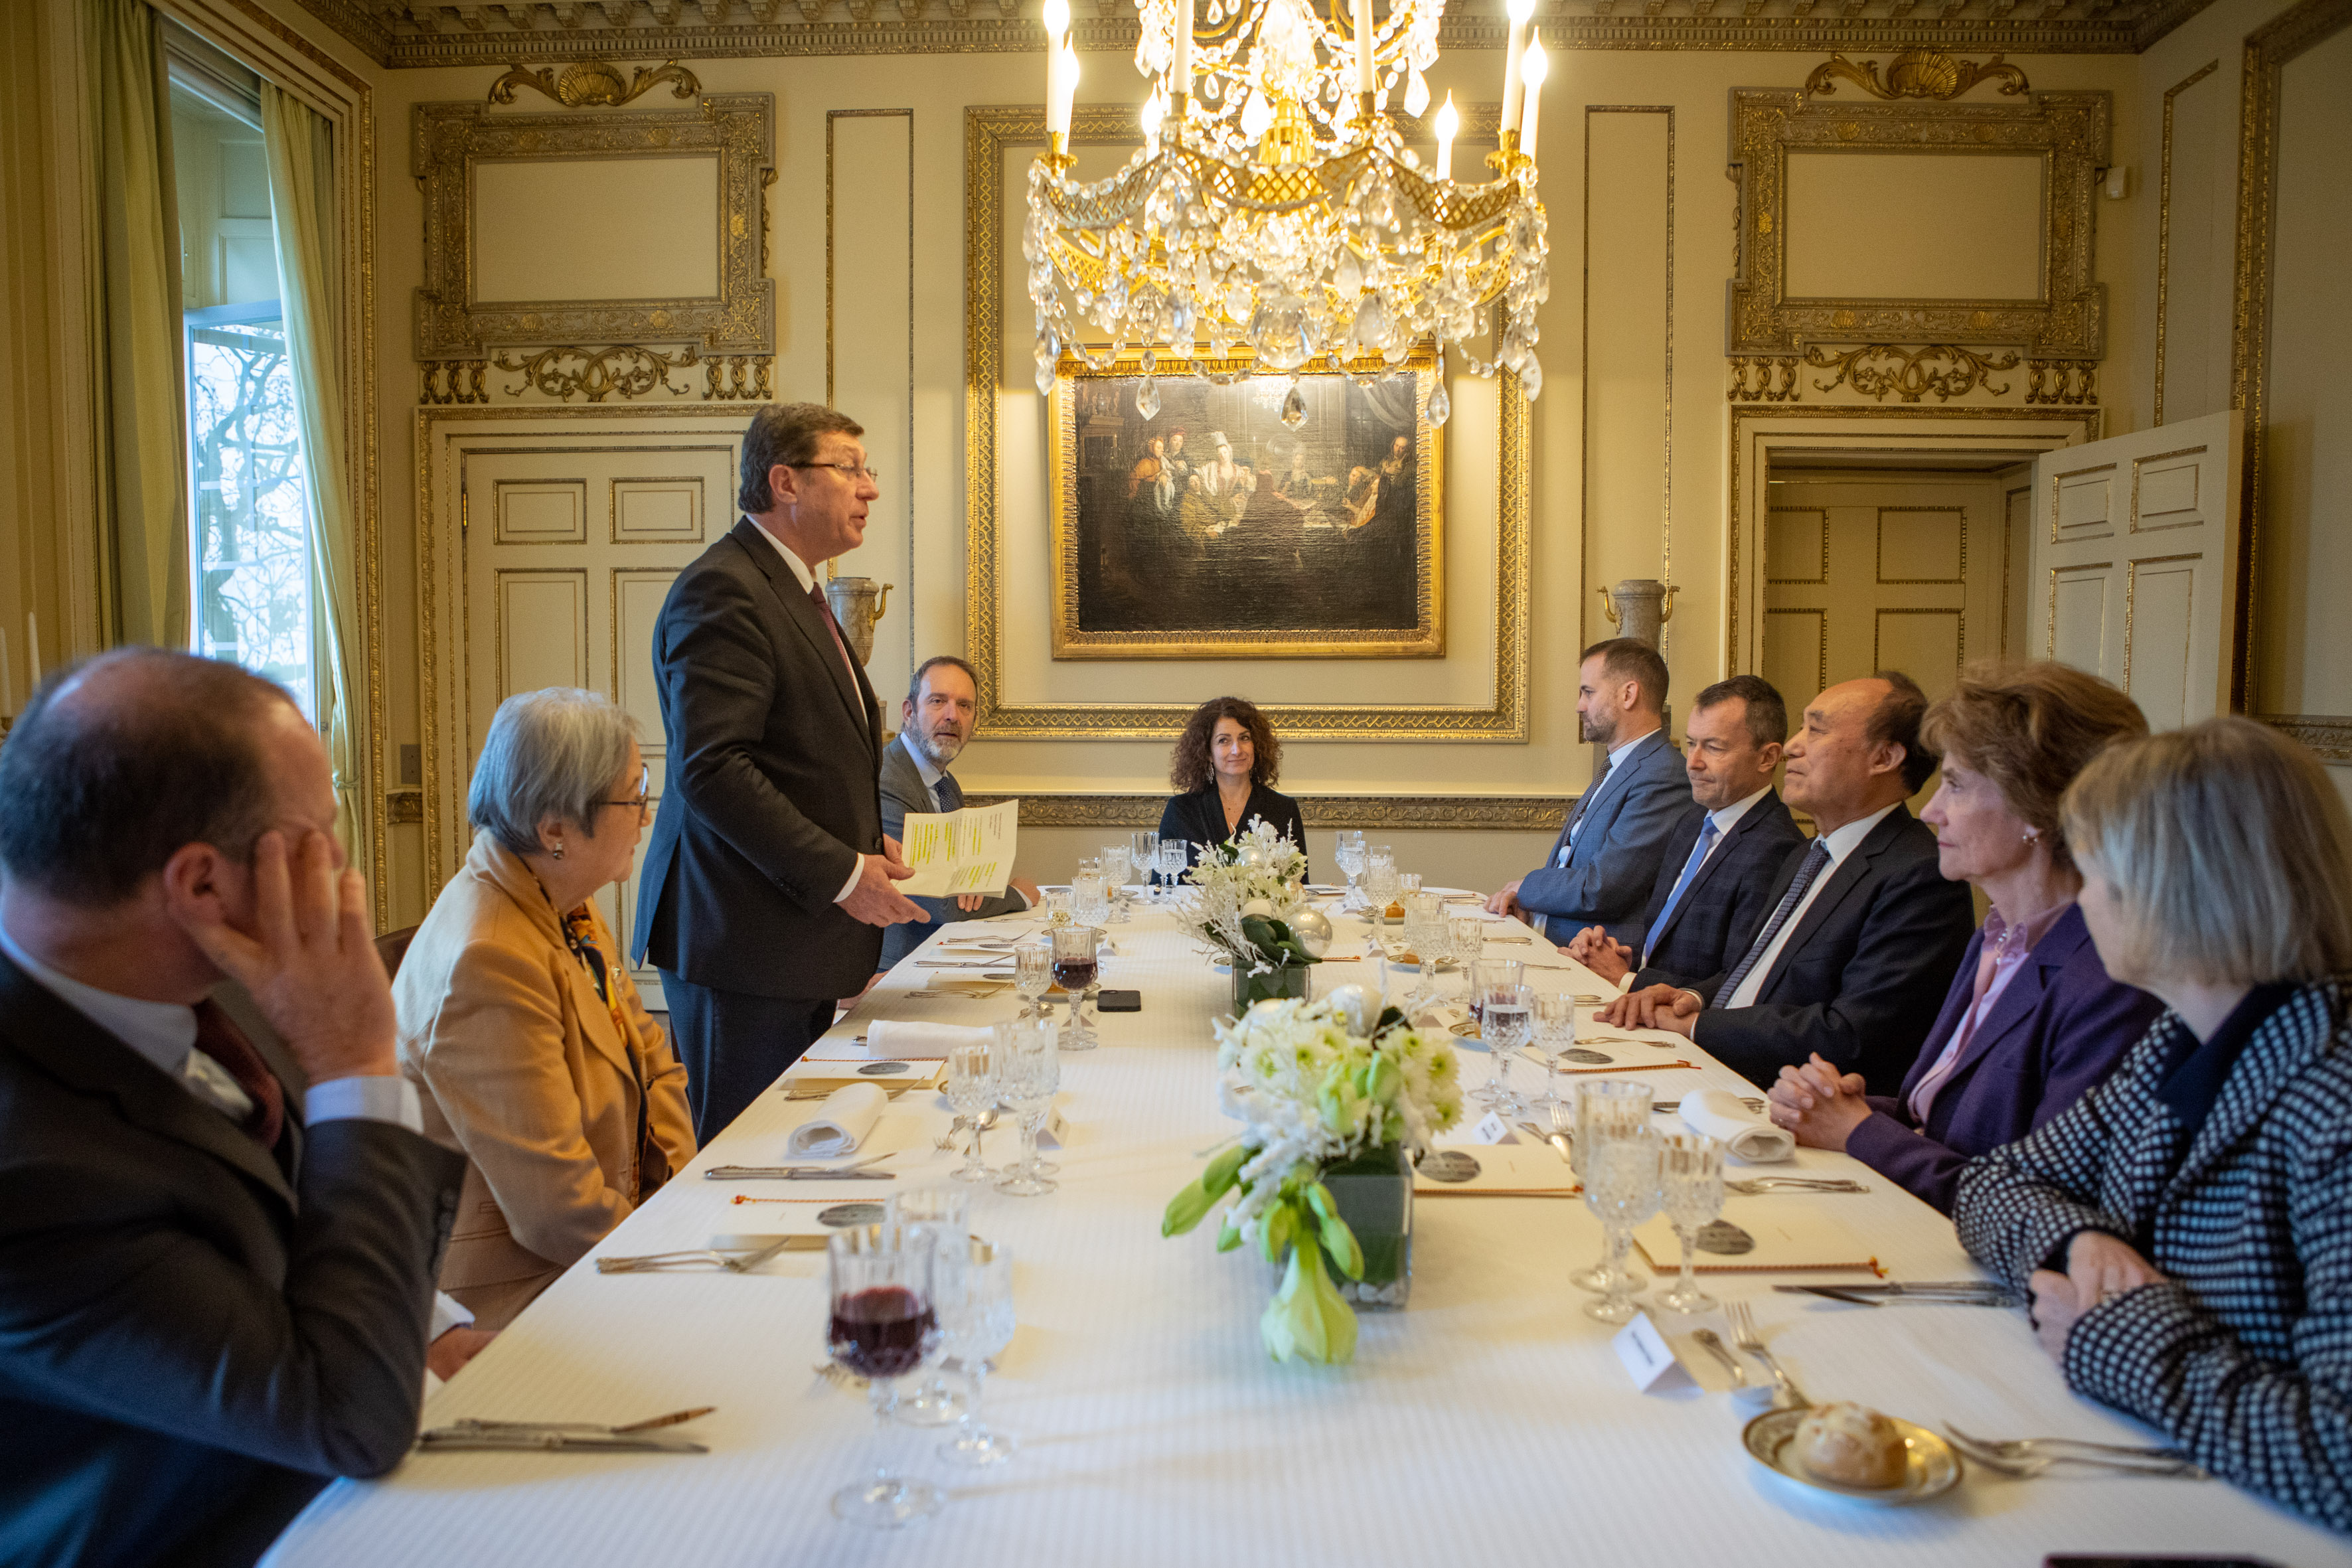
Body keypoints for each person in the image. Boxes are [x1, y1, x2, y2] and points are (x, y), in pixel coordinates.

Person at [0, 650, 468, 1568]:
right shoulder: (30, 1176)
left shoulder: (183, 990)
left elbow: (277, 1212)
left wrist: (435, 1323)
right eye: (318, 839)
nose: (340, 867)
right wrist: (357, 1061)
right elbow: (345, 1416)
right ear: (203, 884)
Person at [1952, 718, 2352, 1533]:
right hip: (2160, 1478)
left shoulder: (2333, 1101)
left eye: (2092, 873)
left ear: (2171, 890)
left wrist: (2113, 1335)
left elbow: (2341, 1455)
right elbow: (1992, 1181)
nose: (2082, 898)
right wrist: (2079, 1243)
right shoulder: (2182, 1039)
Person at [633, 402, 927, 1143]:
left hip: (786, 942)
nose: (871, 489)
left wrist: (865, 851)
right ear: (786, 482)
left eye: (869, 471)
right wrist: (840, 872)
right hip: (742, 946)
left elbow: (802, 760)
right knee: (743, 1165)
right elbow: (713, 769)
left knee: (791, 1155)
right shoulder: (726, 589)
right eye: (850, 469)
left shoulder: (795, 586)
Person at [1766, 662, 2161, 1212]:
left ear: (2037, 808)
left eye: (1954, 786)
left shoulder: (2107, 979)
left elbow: (2044, 1206)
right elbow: (1935, 1118)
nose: (1929, 812)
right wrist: (1836, 1106)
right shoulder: (1994, 938)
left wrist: (1857, 1130)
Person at [396, 688, 697, 1330]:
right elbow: (557, 1213)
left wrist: (684, 1211)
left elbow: (658, 1068)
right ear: (555, 828)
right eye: (632, 795)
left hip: (605, 1248)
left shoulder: (561, 901)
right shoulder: (488, 958)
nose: (646, 815)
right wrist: (683, 1261)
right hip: (521, 1302)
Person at [1602, 672, 1976, 1092]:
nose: (1792, 747)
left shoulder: (1920, 875)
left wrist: (1700, 1025)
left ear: (1885, 758)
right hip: (1722, 1068)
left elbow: (1852, 1034)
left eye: (1816, 730)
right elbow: (1757, 972)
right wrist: (1691, 997)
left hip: (1792, 1101)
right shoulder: (1809, 854)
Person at [1564, 674, 1804, 988]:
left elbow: (1737, 983)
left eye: (1714, 748)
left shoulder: (1778, 848)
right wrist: (1619, 956)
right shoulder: (1692, 822)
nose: (1694, 763)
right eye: (1691, 744)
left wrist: (1625, 979)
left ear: (1768, 757)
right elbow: (1667, 944)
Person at [1487, 639, 1689, 947]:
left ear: (1628, 694)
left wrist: (1527, 887)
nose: (1579, 705)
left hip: (1594, 959)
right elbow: (1571, 866)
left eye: (1588, 692)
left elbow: (1602, 888)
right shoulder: (1620, 765)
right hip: (1550, 940)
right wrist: (1531, 903)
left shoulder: (1662, 775)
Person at [877, 656, 1043, 971]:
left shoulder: (945, 783)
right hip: (898, 970)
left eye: (965, 706)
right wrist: (1018, 895)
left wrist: (975, 881)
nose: (953, 716)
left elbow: (963, 881)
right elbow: (939, 901)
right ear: (909, 712)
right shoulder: (888, 779)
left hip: (948, 952)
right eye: (938, 701)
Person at [1158, 696, 1308, 870]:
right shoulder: (1181, 810)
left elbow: (1299, 883)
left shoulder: (1283, 808)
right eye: (1224, 741)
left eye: (1244, 738)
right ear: (1207, 752)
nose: (1237, 750)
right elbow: (1161, 885)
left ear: (1256, 746)